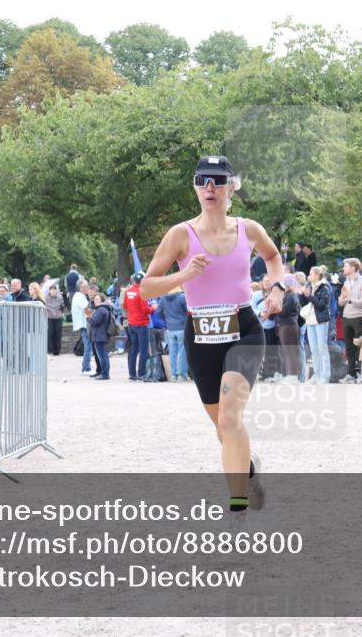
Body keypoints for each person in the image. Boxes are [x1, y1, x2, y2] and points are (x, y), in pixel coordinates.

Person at [140, 155, 283, 525]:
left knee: (232, 419)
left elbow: (273, 257)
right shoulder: (179, 235)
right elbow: (147, 287)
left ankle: (237, 508)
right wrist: (184, 274)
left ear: (231, 186)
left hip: (245, 330)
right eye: (202, 180)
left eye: (218, 181)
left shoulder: (248, 230)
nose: (209, 188)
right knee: (224, 429)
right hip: (200, 335)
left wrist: (277, 286)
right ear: (194, 187)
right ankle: (248, 472)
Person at [301, 265, 332, 384]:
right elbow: (304, 303)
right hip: (310, 320)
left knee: (322, 347)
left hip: (321, 320)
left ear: (317, 275)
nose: (309, 276)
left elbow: (321, 305)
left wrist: (309, 295)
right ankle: (316, 374)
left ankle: (325, 375)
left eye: (311, 274)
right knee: (314, 349)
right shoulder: (309, 286)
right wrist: (303, 295)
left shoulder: (325, 287)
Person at [338, 258, 362, 383]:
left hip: (359, 316)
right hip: (346, 316)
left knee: (359, 347)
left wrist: (349, 299)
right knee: (349, 347)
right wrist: (343, 298)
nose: (344, 268)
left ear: (354, 268)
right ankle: (351, 373)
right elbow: (340, 302)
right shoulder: (346, 282)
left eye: (346, 266)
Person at [123, 272, 154, 382]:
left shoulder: (128, 291)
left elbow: (125, 306)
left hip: (131, 323)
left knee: (133, 349)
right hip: (141, 324)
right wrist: (153, 308)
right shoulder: (142, 292)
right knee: (144, 350)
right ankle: (142, 373)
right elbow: (145, 310)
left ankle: (132, 374)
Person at [158, 286, 190, 382]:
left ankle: (173, 374)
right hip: (182, 328)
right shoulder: (182, 297)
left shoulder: (163, 299)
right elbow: (188, 312)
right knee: (182, 352)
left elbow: (158, 312)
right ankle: (182, 375)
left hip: (170, 329)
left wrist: (166, 321)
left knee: (172, 352)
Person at [275, 274, 302, 383]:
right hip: (284, 325)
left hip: (289, 325)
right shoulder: (287, 295)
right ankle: (290, 374)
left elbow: (284, 311)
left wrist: (277, 307)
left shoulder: (291, 296)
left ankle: (293, 375)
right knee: (286, 350)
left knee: (291, 350)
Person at [89, 292, 114, 380]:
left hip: (99, 336)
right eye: (95, 299)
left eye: (97, 299)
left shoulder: (101, 310)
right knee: (104, 355)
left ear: (102, 300)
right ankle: (105, 373)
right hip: (102, 335)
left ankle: (105, 374)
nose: (95, 301)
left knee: (102, 356)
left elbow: (94, 322)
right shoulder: (104, 309)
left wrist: (89, 317)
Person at [71, 281, 93, 375]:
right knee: (88, 346)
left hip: (83, 324)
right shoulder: (79, 297)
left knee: (88, 345)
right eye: (85, 286)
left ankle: (86, 367)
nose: (88, 287)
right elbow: (86, 308)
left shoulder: (80, 296)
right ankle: (86, 368)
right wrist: (91, 319)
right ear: (81, 287)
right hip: (84, 324)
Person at [44, 283, 65, 356]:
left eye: (54, 290)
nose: (53, 291)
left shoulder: (60, 298)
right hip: (49, 318)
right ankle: (50, 350)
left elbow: (62, 307)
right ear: (49, 291)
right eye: (51, 290)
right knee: (50, 334)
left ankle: (57, 351)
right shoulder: (46, 298)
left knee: (58, 334)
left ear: (56, 290)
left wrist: (60, 313)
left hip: (58, 318)